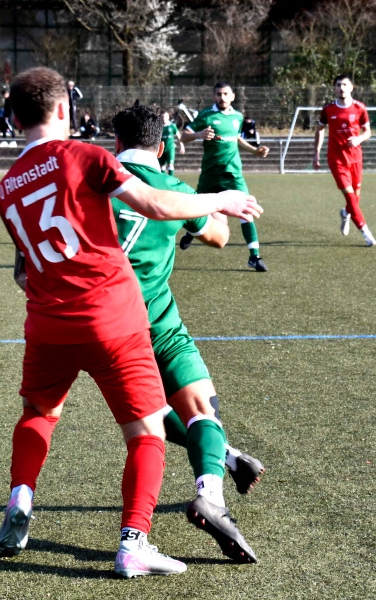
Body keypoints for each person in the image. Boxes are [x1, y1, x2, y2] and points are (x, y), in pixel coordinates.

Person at [0, 66, 262, 578]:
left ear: (14, 118)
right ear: (64, 109)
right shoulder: (86, 157)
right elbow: (154, 203)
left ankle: (20, 501)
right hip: (114, 318)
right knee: (146, 433)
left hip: (48, 324)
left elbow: (24, 273)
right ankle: (133, 544)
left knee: (38, 414)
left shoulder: (6, 189)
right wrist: (219, 200)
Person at [109, 104, 264, 564]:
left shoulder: (94, 185)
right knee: (201, 410)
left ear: (116, 143)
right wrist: (214, 200)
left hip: (105, 326)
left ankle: (228, 457)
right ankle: (209, 494)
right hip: (158, 323)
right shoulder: (173, 190)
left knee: (150, 414)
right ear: (161, 147)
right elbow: (219, 236)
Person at [181, 82, 271, 272]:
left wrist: (255, 151)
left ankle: (254, 256)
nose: (222, 97)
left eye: (225, 94)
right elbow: (184, 136)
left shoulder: (238, 116)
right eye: (218, 94)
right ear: (213, 96)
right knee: (198, 208)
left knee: (246, 210)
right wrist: (199, 134)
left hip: (233, 173)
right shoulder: (206, 115)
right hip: (210, 173)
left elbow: (237, 138)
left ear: (232, 96)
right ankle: (191, 232)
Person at [313, 74, 376, 247]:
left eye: (344, 85)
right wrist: (316, 153)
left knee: (355, 198)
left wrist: (358, 139)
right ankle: (367, 235)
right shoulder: (328, 109)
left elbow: (368, 132)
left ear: (351, 87)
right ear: (334, 88)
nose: (341, 88)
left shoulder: (359, 108)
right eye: (338, 85)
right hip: (337, 160)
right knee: (350, 197)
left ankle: (345, 213)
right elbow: (320, 129)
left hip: (355, 158)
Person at [158, 111, 183, 175]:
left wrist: (182, 146)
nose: (164, 118)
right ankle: (163, 179)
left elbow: (179, 136)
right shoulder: (159, 127)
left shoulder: (172, 126)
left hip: (170, 148)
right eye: (162, 117)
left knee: (170, 164)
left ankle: (171, 178)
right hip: (162, 149)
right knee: (162, 166)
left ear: (168, 117)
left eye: (165, 116)